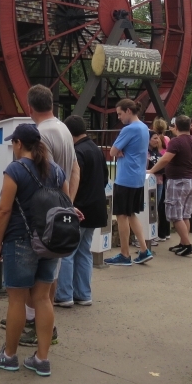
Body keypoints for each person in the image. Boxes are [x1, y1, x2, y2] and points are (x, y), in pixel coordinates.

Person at [0, 123, 67, 376]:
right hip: (50, 241)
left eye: (13, 143)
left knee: (17, 300)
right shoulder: (56, 170)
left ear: (19, 144)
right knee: (42, 298)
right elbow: (65, 203)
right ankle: (42, 359)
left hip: (20, 240)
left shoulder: (15, 169)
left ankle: (9, 356)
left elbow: (4, 209)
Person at [28, 85, 78, 342]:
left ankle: (38, 327)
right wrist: (68, 204)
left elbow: (43, 176)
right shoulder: (64, 130)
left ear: (30, 107)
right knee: (51, 274)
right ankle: (47, 326)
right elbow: (74, 170)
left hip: (43, 215)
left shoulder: (39, 134)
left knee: (36, 276)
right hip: (60, 210)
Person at [56, 116, 108, 306]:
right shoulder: (97, 150)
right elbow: (105, 180)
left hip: (78, 208)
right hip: (97, 208)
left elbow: (73, 180)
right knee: (85, 251)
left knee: (68, 251)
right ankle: (83, 293)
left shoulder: (77, 152)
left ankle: (64, 295)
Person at [105, 99, 153, 266]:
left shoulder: (129, 129)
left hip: (125, 177)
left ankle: (124, 254)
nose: (119, 117)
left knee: (122, 215)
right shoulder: (144, 128)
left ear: (128, 111)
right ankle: (144, 249)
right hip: (138, 177)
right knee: (132, 214)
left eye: (119, 113)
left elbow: (112, 151)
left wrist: (119, 151)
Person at [149, 115, 192, 257]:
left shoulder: (176, 142)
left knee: (174, 215)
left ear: (176, 127)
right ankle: (183, 243)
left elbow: (166, 158)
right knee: (185, 214)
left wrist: (151, 170)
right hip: (191, 180)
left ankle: (188, 244)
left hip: (178, 181)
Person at [149, 117, 170, 243]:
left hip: (160, 178)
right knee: (158, 206)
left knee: (157, 206)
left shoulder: (157, 150)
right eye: (154, 138)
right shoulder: (167, 139)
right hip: (159, 178)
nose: (157, 140)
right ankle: (161, 233)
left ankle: (157, 233)